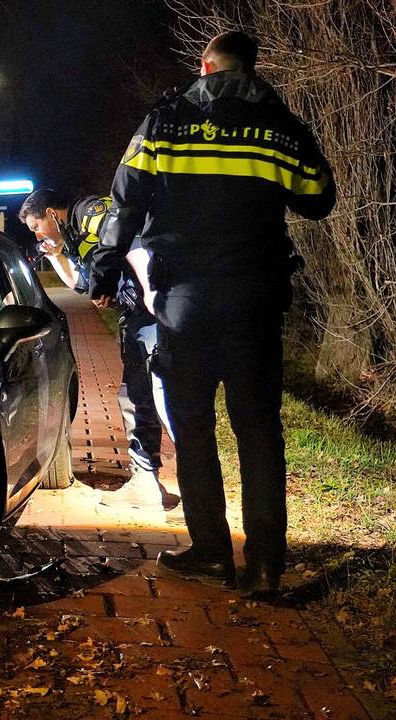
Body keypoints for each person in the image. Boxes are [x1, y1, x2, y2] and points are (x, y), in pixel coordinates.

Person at [88, 31, 335, 598]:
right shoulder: (278, 125)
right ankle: (268, 564)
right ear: (252, 70)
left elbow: (125, 203)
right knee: (258, 428)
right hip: (255, 298)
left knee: (193, 428)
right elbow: (319, 198)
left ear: (205, 66)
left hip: (185, 301)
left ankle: (212, 554)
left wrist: (101, 271)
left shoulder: (166, 122)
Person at [19, 189, 173, 510]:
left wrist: (155, 301)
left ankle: (194, 480)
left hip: (153, 312)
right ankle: (148, 481)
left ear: (51, 212)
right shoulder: (73, 235)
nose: (36, 234)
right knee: (136, 393)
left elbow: (134, 244)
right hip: (138, 315)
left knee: (162, 394)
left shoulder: (90, 212)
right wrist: (56, 254)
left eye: (36, 226)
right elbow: (81, 284)